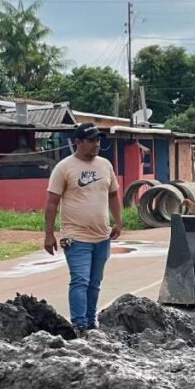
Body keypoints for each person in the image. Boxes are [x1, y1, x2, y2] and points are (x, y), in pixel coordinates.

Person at [44, 122, 121, 335]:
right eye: (90, 140)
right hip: (75, 236)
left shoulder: (105, 165)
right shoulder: (64, 167)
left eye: (98, 140)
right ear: (77, 142)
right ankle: (79, 324)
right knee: (80, 280)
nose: (96, 144)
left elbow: (114, 195)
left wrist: (118, 221)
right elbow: (52, 202)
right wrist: (49, 235)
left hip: (102, 235)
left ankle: (90, 321)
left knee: (95, 283)